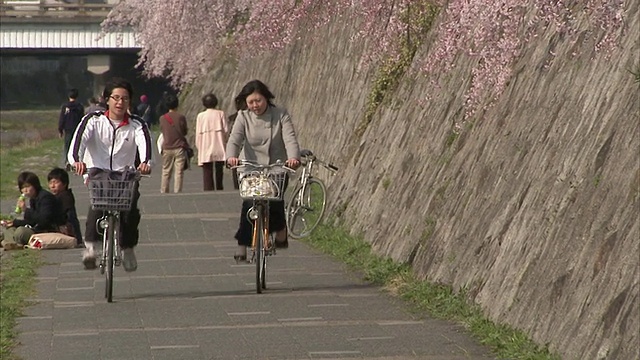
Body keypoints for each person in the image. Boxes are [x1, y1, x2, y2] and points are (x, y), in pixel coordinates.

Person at [68, 77, 153, 271]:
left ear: (129, 101)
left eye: (124, 98)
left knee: (130, 212)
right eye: (115, 97)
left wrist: (146, 163)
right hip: (98, 173)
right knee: (96, 206)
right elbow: (78, 143)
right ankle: (90, 249)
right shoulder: (93, 121)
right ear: (107, 99)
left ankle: (128, 248)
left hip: (126, 176)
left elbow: (145, 146)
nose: (120, 102)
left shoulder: (137, 124)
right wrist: (76, 162)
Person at [226, 80, 301, 260]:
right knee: (248, 205)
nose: (255, 105)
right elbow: (235, 140)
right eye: (251, 102)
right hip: (251, 166)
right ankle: (242, 244)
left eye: (258, 101)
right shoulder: (243, 117)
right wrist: (231, 157)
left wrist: (293, 158)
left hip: (275, 166)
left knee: (274, 202)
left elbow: (290, 138)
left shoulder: (280, 115)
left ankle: (280, 230)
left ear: (266, 98)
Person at [2, 172, 66, 246]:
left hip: (47, 230)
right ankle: (10, 242)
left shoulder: (45, 197)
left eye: (28, 186)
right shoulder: (33, 199)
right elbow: (31, 221)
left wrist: (26, 210)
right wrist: (14, 222)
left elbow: (43, 220)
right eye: (23, 188)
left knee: (20, 232)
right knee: (9, 228)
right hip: (36, 228)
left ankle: (10, 242)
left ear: (35, 185)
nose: (25, 190)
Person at [195, 93, 228, 191]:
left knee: (207, 169)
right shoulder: (220, 113)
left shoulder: (200, 116)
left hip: (205, 144)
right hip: (219, 143)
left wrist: (198, 146)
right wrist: (224, 140)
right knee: (219, 168)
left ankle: (208, 188)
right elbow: (226, 130)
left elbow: (198, 133)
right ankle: (219, 186)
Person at [158, 93, 188, 193]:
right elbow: (184, 131)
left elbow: (162, 130)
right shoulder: (181, 117)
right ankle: (177, 190)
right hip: (179, 146)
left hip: (167, 146)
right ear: (177, 104)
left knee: (166, 170)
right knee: (179, 171)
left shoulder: (162, 118)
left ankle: (164, 190)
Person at [47, 167, 83, 247]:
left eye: (55, 182)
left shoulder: (66, 197)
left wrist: (77, 237)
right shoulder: (57, 197)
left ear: (64, 184)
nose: (52, 186)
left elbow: (71, 217)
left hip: (66, 230)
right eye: (50, 183)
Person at [58, 88, 85, 171]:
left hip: (68, 129)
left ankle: (67, 161)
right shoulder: (80, 106)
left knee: (67, 145)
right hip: (77, 129)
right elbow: (82, 118)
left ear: (68, 96)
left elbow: (62, 118)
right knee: (76, 146)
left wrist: (60, 129)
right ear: (77, 96)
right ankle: (76, 162)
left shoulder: (65, 106)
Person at [227, 96, 247, 190]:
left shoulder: (232, 118)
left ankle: (237, 186)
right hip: (244, 146)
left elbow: (230, 135)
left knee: (236, 165)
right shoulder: (243, 117)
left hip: (238, 147)